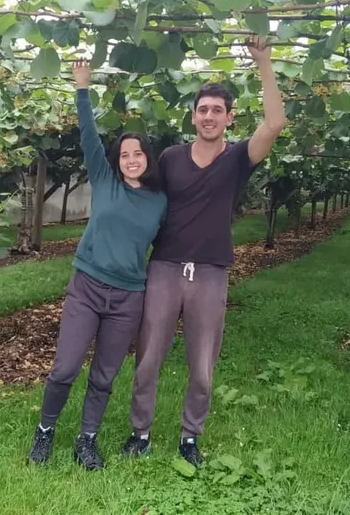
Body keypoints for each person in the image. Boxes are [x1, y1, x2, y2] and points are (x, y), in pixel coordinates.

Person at [121, 35, 285, 466]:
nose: (209, 116)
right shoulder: (172, 158)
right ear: (194, 117)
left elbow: (273, 125)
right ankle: (140, 431)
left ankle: (190, 437)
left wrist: (263, 62)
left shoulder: (237, 160)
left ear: (230, 118)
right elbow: (139, 193)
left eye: (217, 110)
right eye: (203, 110)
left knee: (202, 364)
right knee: (149, 354)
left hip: (211, 271)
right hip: (165, 267)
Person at [28, 59, 167, 471]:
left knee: (104, 376)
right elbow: (88, 135)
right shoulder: (105, 181)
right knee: (65, 368)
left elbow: (169, 241)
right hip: (87, 287)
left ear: (147, 158)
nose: (131, 159)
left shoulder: (160, 201)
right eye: (124, 154)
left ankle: (86, 439)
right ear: (117, 160)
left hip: (128, 298)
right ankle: (46, 430)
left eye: (137, 153)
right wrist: (83, 88)